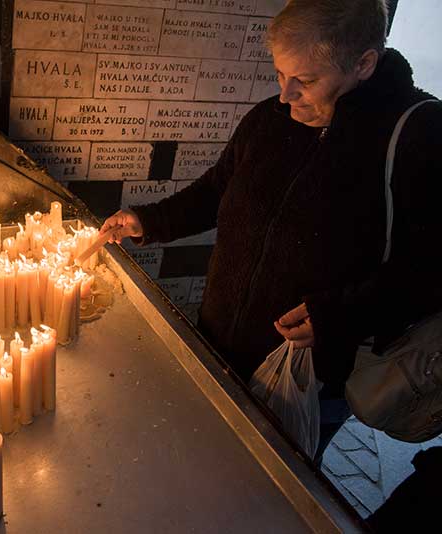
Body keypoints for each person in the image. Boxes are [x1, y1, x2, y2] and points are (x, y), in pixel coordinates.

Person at [101, 0, 442, 464]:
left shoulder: (418, 134)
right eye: (280, 74)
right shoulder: (271, 118)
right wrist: (150, 220)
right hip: (220, 339)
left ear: (363, 64)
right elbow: (218, 190)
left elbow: (428, 268)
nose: (285, 95)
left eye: (307, 80)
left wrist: (337, 316)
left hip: (311, 374)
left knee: (272, 480)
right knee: (200, 459)